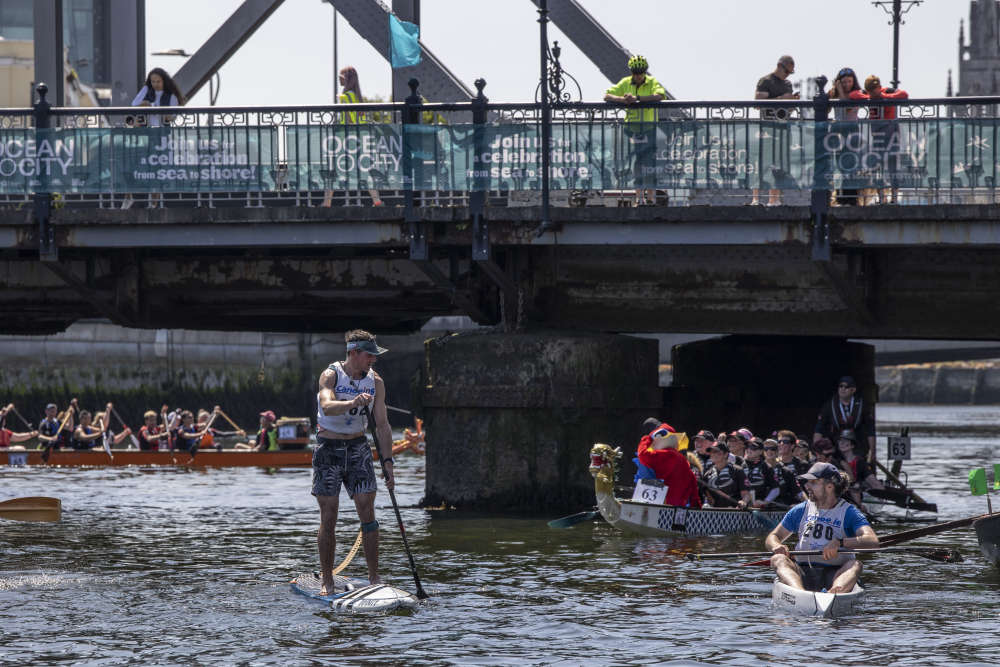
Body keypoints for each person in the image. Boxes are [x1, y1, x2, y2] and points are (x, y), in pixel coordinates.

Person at [314, 329, 395, 595]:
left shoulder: (376, 382)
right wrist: (352, 402)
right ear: (353, 353)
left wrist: (388, 463)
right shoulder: (331, 375)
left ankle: (374, 578)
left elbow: (382, 426)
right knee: (330, 516)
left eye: (375, 355)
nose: (373, 360)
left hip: (359, 447)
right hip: (329, 449)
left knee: (367, 511)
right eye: (369, 355)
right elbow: (326, 406)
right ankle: (327, 580)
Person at [765, 462, 879, 593]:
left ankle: (834, 592)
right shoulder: (801, 510)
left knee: (856, 565)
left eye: (813, 482)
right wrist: (776, 546)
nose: (807, 486)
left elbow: (872, 541)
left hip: (836, 573)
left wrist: (840, 543)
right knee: (777, 559)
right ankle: (799, 593)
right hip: (802, 572)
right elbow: (773, 536)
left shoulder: (849, 512)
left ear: (829, 486)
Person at [604, 54, 666, 206]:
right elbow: (606, 95)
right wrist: (623, 100)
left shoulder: (652, 82)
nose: (638, 76)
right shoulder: (625, 82)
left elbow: (660, 95)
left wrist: (637, 98)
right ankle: (639, 198)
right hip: (632, 129)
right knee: (637, 162)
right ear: (632, 72)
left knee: (650, 162)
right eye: (635, 73)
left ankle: (651, 198)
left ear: (645, 72)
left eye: (641, 73)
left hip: (648, 128)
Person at [123, 68, 185, 210]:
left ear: (164, 81)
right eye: (153, 81)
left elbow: (172, 116)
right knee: (134, 166)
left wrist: (153, 107)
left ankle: (153, 203)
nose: (155, 84)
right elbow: (133, 106)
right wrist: (143, 105)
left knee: (157, 170)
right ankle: (128, 197)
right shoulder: (146, 90)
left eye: (158, 81)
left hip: (161, 137)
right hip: (144, 135)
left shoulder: (171, 97)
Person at [322, 66, 383, 208]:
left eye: (341, 77)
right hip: (359, 138)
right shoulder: (357, 97)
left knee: (333, 170)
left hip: (346, 139)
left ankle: (327, 202)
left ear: (347, 79)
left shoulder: (345, 96)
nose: (339, 79)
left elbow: (349, 120)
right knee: (364, 170)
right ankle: (377, 201)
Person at [852, 75, 909, 204]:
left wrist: (886, 98)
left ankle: (894, 198)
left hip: (892, 133)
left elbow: (904, 94)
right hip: (877, 136)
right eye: (872, 90)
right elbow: (854, 95)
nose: (875, 92)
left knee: (893, 167)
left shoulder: (887, 91)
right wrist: (868, 97)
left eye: (876, 89)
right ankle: (881, 198)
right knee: (878, 168)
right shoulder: (868, 95)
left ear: (879, 86)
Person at [752, 55, 800, 206]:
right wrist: (782, 98)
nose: (788, 75)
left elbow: (788, 110)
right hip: (767, 128)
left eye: (790, 73)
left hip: (783, 128)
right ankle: (756, 199)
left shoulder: (788, 84)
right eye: (787, 71)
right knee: (762, 164)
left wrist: (793, 102)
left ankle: (774, 199)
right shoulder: (766, 81)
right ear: (780, 66)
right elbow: (757, 103)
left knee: (779, 166)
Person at [635, 422, 701, 507]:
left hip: (662, 509)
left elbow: (643, 455)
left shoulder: (666, 455)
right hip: (679, 511)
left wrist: (646, 439)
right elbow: (694, 491)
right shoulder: (684, 461)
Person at [813, 375, 876, 464]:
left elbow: (870, 430)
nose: (842, 389)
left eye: (846, 387)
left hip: (856, 445)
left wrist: (872, 451)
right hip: (835, 444)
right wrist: (817, 450)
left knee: (859, 464)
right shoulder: (829, 406)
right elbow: (819, 428)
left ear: (853, 390)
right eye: (840, 386)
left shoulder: (863, 406)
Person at [828, 67, 863, 206]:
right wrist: (829, 96)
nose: (846, 84)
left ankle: (851, 198)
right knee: (841, 165)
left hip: (851, 130)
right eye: (843, 82)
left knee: (851, 165)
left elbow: (846, 106)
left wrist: (840, 91)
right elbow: (826, 109)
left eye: (849, 81)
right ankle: (841, 198)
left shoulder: (856, 93)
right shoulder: (835, 93)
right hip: (838, 130)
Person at [836, 429, 883, 508]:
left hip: (855, 494)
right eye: (840, 440)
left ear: (852, 445)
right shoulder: (835, 461)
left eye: (846, 440)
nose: (842, 443)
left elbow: (873, 482)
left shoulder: (860, 463)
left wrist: (882, 496)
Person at [702, 441, 752, 508]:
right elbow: (708, 497)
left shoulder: (738, 471)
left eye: (716, 452)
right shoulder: (707, 475)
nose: (713, 454)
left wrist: (743, 502)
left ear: (725, 454)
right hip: (715, 513)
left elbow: (746, 494)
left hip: (735, 512)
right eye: (711, 452)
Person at [764, 437, 802, 507]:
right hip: (760, 508)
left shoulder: (786, 471)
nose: (769, 451)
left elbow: (798, 492)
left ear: (778, 451)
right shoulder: (759, 469)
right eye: (766, 449)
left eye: (772, 449)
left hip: (781, 510)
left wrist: (809, 505)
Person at [744, 438, 779, 508]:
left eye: (753, 448)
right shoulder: (739, 465)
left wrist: (765, 502)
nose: (749, 449)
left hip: (759, 507)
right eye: (747, 447)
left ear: (761, 451)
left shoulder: (766, 467)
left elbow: (776, 489)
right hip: (741, 508)